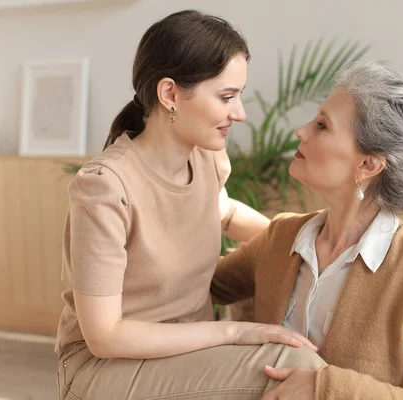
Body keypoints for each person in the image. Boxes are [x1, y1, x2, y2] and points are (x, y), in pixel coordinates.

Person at [55, 10, 325, 400]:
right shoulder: (104, 188)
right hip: (105, 367)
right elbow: (105, 336)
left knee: (302, 364)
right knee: (296, 369)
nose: (240, 113)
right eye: (227, 97)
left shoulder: (206, 157)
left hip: (187, 352)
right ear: (169, 94)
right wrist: (233, 332)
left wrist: (313, 240)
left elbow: (223, 211)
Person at [212, 62, 403, 399]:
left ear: (368, 164)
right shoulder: (280, 238)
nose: (301, 132)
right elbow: (197, 289)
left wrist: (324, 388)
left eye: (322, 125)